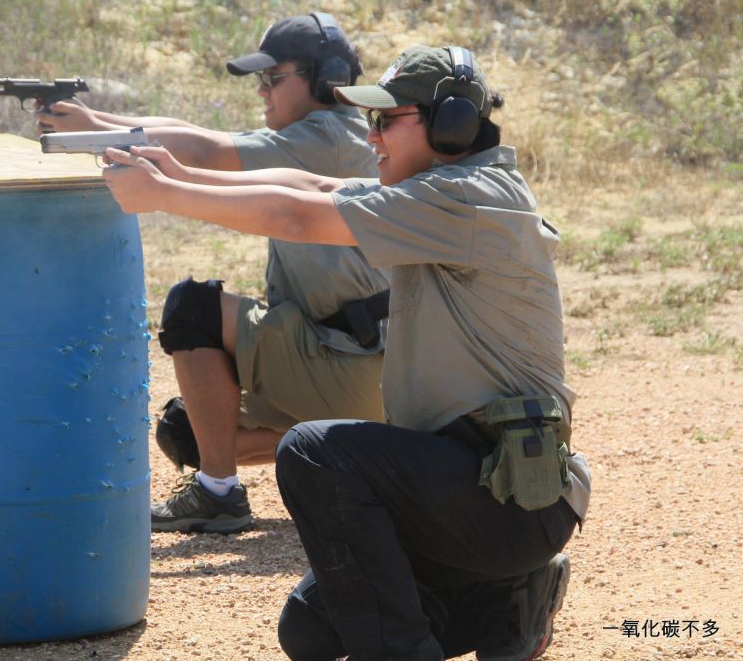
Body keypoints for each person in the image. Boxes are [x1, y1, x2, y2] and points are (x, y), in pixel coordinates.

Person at [101, 44, 592, 660]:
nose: (372, 135)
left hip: (507, 497)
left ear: (452, 124)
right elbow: (314, 184)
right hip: (464, 486)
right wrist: (177, 175)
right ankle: (507, 603)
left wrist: (163, 195)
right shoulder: (439, 189)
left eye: (387, 120)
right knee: (311, 630)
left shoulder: (470, 197)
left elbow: (298, 216)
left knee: (316, 452)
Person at [42, 13, 389, 534]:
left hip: (347, 359)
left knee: (193, 309)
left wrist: (95, 132)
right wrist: (96, 122)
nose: (263, 90)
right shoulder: (325, 133)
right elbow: (191, 135)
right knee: (189, 429)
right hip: (356, 365)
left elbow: (204, 149)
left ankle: (218, 495)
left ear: (326, 80)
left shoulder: (327, 139)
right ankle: (362, 449)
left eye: (274, 77)